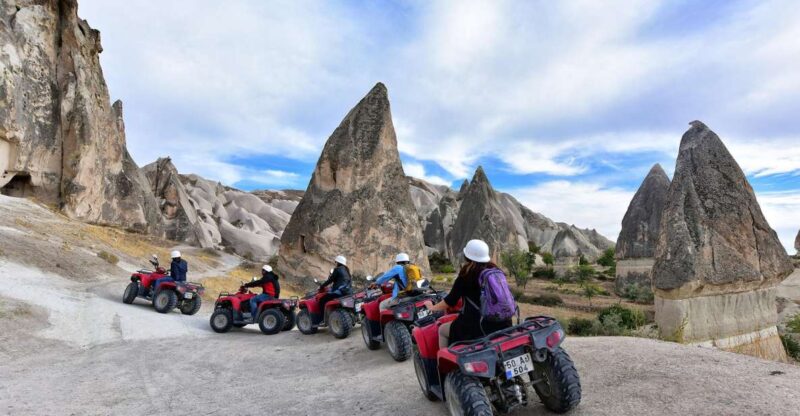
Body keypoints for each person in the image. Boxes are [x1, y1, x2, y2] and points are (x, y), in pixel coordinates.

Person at [424, 240, 512, 348]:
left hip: (478, 326)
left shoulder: (467, 274)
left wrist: (432, 307)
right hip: (504, 322)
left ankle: (443, 364)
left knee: (442, 330)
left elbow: (450, 301)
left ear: (467, 256)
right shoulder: (496, 270)